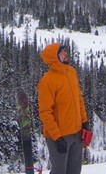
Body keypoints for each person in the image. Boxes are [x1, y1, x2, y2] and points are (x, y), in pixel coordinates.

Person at [38, 43, 92, 174]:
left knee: (74, 171)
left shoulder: (71, 72)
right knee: (59, 171)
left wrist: (84, 122)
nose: (66, 53)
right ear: (54, 56)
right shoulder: (47, 81)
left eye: (65, 50)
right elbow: (45, 113)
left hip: (77, 134)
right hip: (60, 137)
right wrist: (57, 137)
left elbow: (79, 99)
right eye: (62, 51)